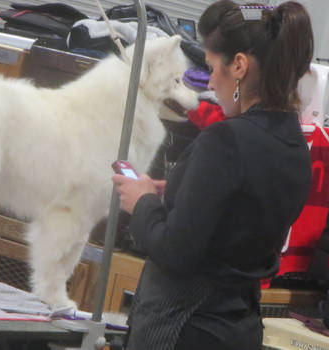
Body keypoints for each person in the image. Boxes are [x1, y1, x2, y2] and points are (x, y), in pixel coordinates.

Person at [111, 1, 314, 349]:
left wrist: (142, 202)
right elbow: (234, 215)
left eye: (210, 68)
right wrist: (179, 190)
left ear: (238, 66)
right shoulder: (295, 146)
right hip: (239, 329)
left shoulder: (226, 141)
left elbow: (176, 252)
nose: (209, 83)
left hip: (184, 328)